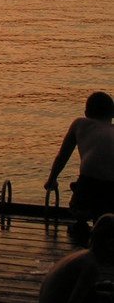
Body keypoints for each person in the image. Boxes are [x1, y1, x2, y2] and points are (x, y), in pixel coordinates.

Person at [45, 92, 114, 236]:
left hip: (89, 184)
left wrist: (52, 179)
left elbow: (62, 157)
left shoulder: (80, 124)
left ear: (86, 112)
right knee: (105, 214)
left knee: (80, 212)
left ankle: (81, 219)